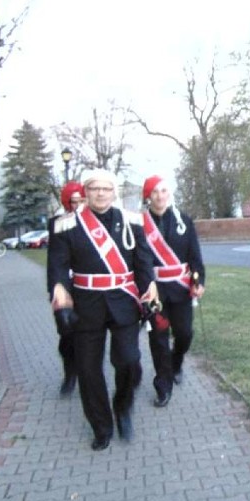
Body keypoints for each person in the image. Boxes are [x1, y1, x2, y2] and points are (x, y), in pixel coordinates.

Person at [47, 169, 158, 451]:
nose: (100, 193)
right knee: (88, 370)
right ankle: (101, 426)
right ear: (85, 192)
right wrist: (60, 292)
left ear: (114, 192)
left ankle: (123, 408)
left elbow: (143, 262)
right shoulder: (66, 225)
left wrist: (150, 289)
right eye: (94, 188)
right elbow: (58, 266)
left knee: (129, 362)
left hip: (124, 302)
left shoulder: (132, 221)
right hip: (86, 305)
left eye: (106, 189)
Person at [141, 175, 206, 408]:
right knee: (158, 339)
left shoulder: (184, 221)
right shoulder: (139, 224)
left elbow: (195, 256)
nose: (160, 196)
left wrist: (199, 280)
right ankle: (163, 385)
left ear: (169, 194)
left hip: (180, 290)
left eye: (164, 191)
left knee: (185, 334)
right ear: (148, 196)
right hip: (154, 293)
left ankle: (176, 362)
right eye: (155, 192)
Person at [46, 181, 84, 397]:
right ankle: (70, 372)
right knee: (66, 331)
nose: (78, 205)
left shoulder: (91, 222)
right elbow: (55, 261)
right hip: (64, 286)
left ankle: (87, 371)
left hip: (86, 287)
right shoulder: (57, 224)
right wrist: (55, 289)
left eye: (81, 201)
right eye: (74, 201)